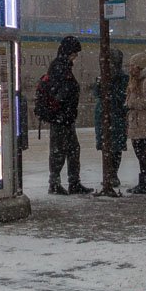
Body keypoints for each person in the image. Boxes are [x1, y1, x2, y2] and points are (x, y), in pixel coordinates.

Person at [45, 35, 93, 195]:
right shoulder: (59, 67)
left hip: (65, 117)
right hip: (61, 117)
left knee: (72, 150)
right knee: (60, 151)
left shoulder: (63, 66)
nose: (76, 56)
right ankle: (56, 183)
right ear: (68, 52)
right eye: (74, 53)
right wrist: (66, 103)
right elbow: (62, 92)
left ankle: (73, 182)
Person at [93, 47, 128, 189]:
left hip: (115, 115)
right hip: (106, 115)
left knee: (115, 147)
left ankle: (112, 173)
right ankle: (109, 173)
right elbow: (98, 94)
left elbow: (121, 97)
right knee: (107, 146)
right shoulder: (104, 77)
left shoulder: (122, 79)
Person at [125, 52, 146, 195]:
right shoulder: (138, 80)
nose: (130, 68)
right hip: (138, 122)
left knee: (144, 154)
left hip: (144, 123)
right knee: (141, 154)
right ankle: (144, 182)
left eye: (133, 65)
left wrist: (131, 102)